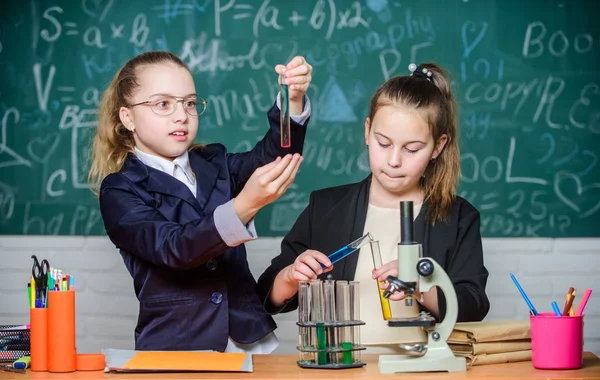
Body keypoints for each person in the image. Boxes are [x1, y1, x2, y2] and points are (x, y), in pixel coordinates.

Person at [88, 50, 313, 353]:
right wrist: (244, 205)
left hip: (249, 342)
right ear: (128, 117)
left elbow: (274, 158)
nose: (181, 115)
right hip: (177, 350)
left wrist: (292, 100)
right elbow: (175, 248)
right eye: (163, 104)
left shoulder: (213, 162)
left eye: (190, 103)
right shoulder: (120, 191)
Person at [257, 63, 490, 352]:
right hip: (338, 371)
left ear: (438, 147)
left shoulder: (458, 218)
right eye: (383, 143)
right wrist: (291, 276)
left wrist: (420, 285)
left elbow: (473, 304)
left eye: (412, 149)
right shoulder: (326, 207)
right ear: (367, 132)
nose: (393, 160)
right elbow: (267, 294)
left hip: (420, 372)